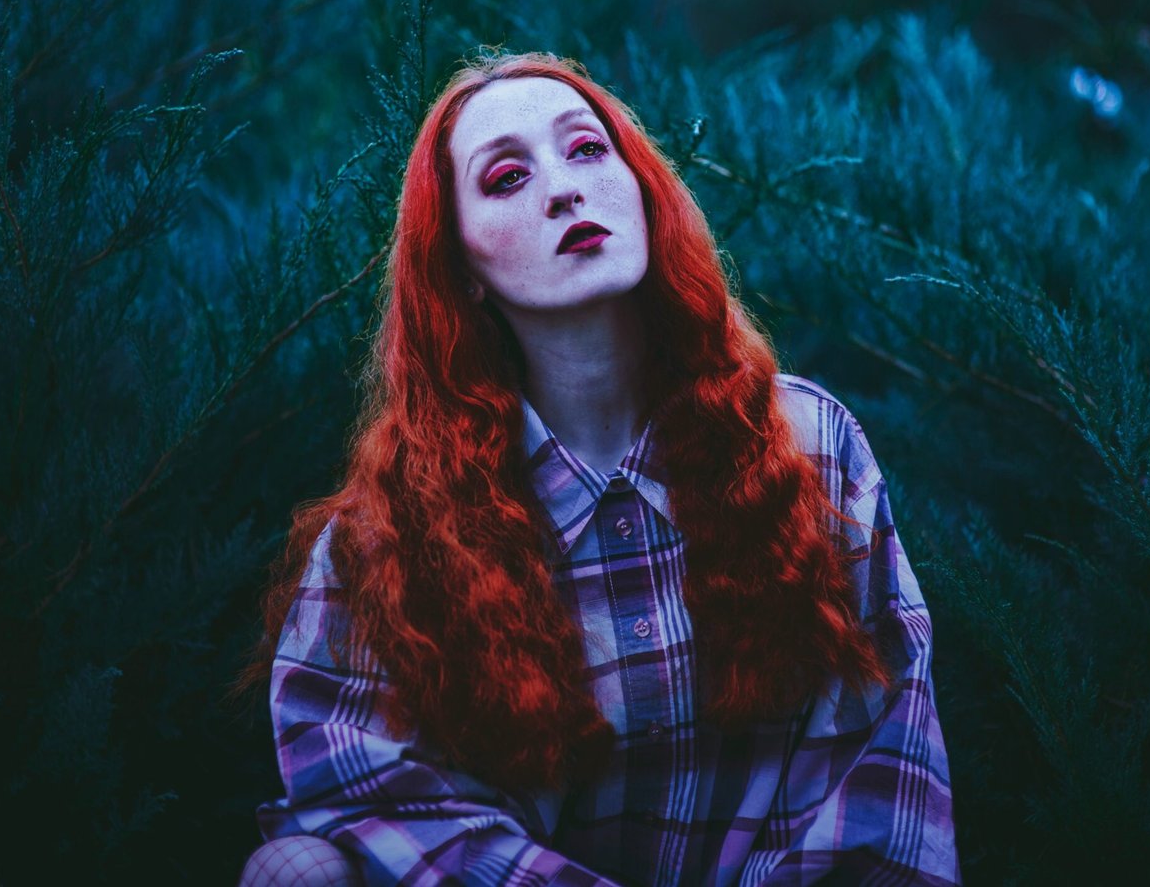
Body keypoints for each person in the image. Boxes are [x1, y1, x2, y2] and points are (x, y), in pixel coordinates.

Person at [238, 51, 960, 886]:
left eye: (587, 150)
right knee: (292, 870)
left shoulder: (807, 442)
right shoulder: (391, 532)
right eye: (507, 178)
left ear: (642, 191)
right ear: (463, 269)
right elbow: (364, 790)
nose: (563, 188)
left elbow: (878, 752)